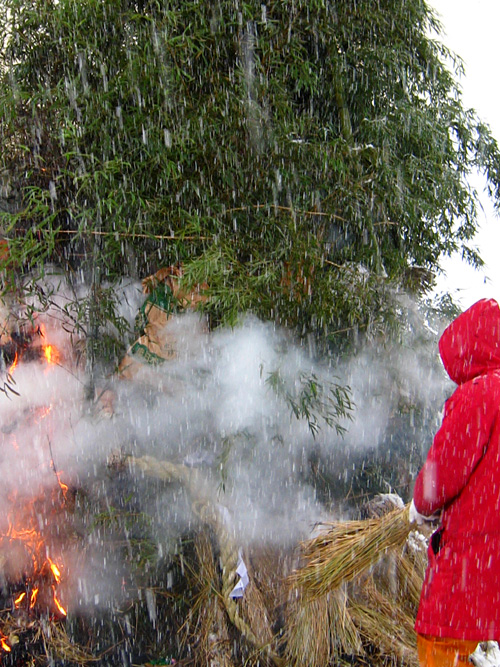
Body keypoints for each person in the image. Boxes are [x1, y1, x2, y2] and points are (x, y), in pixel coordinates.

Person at [411, 298, 500, 666]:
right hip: (491, 566)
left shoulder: (479, 395)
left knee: (438, 644)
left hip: (469, 564)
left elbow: (442, 473)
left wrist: (421, 505)